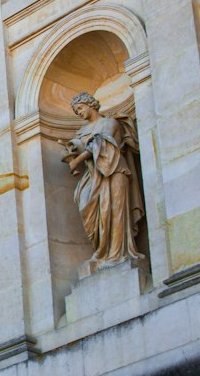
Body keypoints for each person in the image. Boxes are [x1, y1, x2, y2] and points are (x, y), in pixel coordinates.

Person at [61, 92, 144, 266]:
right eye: (76, 112)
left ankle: (117, 254)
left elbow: (103, 142)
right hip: (93, 175)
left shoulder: (110, 122)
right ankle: (101, 252)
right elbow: (84, 146)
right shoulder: (82, 131)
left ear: (90, 104)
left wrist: (77, 160)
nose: (80, 113)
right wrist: (71, 150)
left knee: (114, 210)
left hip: (114, 170)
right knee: (86, 205)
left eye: (80, 108)